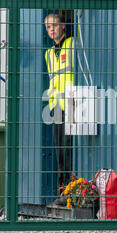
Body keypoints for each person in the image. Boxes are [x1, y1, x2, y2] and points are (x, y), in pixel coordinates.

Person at [44, 13, 75, 195]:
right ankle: (62, 191)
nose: (51, 30)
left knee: (69, 148)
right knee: (59, 151)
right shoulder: (48, 54)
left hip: (72, 103)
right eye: (48, 27)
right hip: (57, 106)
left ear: (62, 26)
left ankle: (71, 189)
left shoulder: (72, 44)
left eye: (54, 25)